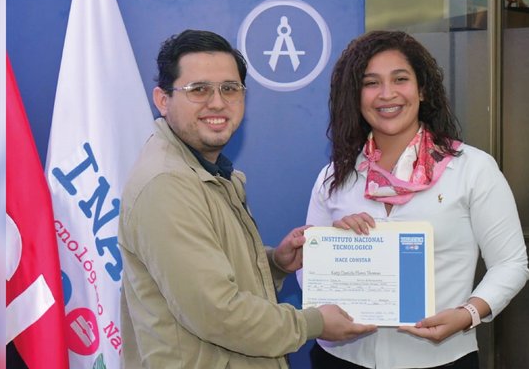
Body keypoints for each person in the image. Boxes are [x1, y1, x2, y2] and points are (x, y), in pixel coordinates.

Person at [118, 29, 375, 369]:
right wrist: (314, 323)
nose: (217, 102)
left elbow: (210, 276)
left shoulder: (205, 171)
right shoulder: (168, 183)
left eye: (230, 88)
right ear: (162, 99)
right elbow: (216, 313)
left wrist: (275, 264)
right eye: (198, 90)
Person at [299, 30, 529, 369]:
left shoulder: (473, 168)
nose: (387, 94)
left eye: (400, 79)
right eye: (371, 83)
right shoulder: (334, 176)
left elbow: (511, 264)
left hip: (440, 358)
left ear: (422, 89)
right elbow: (308, 268)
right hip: (341, 357)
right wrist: (332, 248)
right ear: (356, 95)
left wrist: (468, 314)